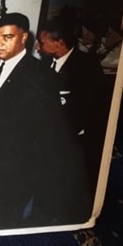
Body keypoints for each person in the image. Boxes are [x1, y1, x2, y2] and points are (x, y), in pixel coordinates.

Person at [0, 13, 90, 230]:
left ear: (23, 38)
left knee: (2, 222)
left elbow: (49, 131)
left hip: (13, 168)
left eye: (7, 37)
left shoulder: (41, 75)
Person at [37, 19, 107, 195]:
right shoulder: (44, 64)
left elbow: (92, 109)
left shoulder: (86, 67)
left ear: (59, 43)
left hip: (75, 142)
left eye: (42, 43)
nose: (37, 47)